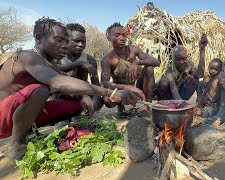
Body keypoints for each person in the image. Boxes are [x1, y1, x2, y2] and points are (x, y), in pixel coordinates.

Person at [0, 18, 140, 161]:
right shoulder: (28, 57)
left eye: (66, 41)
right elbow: (59, 81)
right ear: (38, 38)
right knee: (39, 90)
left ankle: (29, 133)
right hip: (2, 119)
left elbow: (64, 77)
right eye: (59, 40)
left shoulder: (49, 62)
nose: (65, 46)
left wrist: (82, 96)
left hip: (18, 115)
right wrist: (112, 93)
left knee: (76, 104)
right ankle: (16, 145)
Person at [100, 22, 160, 117]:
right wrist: (127, 87)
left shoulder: (133, 50)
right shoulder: (107, 59)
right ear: (109, 38)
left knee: (149, 68)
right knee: (107, 100)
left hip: (138, 87)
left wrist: (137, 62)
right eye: (117, 35)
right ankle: (120, 107)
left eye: (124, 35)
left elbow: (156, 62)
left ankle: (146, 107)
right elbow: (104, 83)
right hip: (121, 90)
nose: (121, 38)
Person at [56, 23, 102, 113]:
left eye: (83, 41)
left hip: (84, 93)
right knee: (60, 93)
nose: (80, 44)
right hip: (64, 95)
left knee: (100, 99)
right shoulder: (58, 57)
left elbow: (96, 84)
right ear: (66, 40)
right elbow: (57, 69)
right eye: (76, 41)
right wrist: (79, 63)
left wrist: (95, 101)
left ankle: (80, 111)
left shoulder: (89, 59)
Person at [157, 34, 208, 100]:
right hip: (169, 96)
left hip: (180, 94)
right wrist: (180, 104)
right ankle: (166, 105)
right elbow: (174, 90)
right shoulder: (170, 70)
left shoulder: (189, 64)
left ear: (187, 58)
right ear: (174, 60)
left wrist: (202, 50)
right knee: (163, 82)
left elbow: (200, 74)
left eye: (184, 59)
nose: (181, 62)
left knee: (194, 79)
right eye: (178, 59)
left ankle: (184, 102)